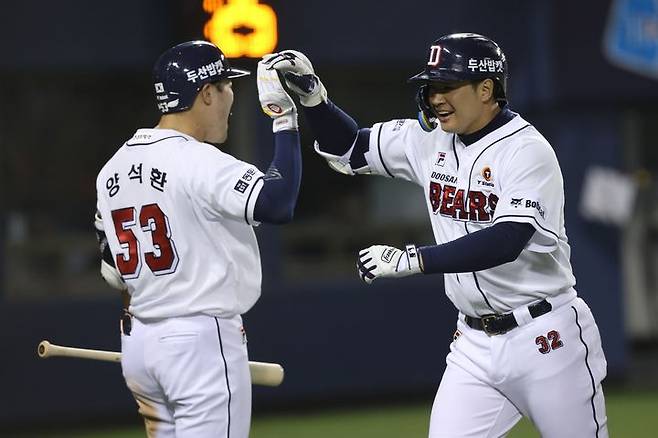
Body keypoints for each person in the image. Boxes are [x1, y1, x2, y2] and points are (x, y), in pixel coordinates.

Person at [262, 33, 609, 437]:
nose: (435, 98)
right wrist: (314, 100)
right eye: (431, 87)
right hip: (473, 345)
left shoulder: (526, 150)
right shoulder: (428, 139)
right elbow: (351, 148)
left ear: (486, 89)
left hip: (546, 337)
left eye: (447, 85)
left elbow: (507, 240)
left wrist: (414, 259)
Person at [93, 40, 301, 438]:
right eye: (226, 87)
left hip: (140, 347)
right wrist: (285, 121)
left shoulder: (112, 169)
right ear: (206, 93)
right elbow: (277, 203)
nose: (230, 98)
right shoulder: (195, 160)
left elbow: (113, 270)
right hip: (198, 342)